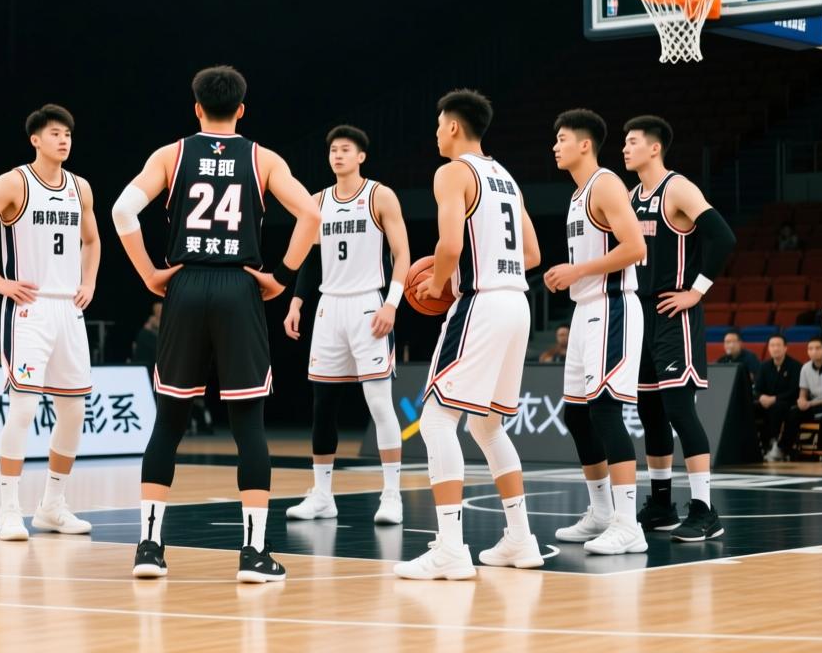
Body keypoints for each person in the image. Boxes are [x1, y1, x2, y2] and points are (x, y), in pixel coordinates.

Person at [112, 65, 320, 583]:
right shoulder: (263, 158)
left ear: (197, 108)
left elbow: (122, 211)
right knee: (248, 424)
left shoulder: (171, 155)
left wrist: (150, 274)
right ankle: (254, 554)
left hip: (184, 287)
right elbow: (312, 216)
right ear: (242, 109)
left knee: (169, 421)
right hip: (238, 287)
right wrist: (281, 277)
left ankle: (149, 547)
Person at [395, 89, 544, 579]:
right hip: (517, 303)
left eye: (439, 125)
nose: (436, 133)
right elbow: (533, 254)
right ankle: (521, 539)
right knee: (487, 426)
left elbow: (450, 244)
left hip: (481, 303)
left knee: (436, 420)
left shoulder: (452, 172)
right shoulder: (507, 178)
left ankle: (450, 548)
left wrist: (436, 284)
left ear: (455, 126)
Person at [0, 103, 101, 541]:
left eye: (68, 134)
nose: (64, 140)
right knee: (23, 407)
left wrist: (89, 281)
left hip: (68, 309)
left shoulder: (80, 187)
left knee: (74, 410)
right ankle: (8, 510)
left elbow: (92, 240)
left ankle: (52, 505)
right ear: (35, 139)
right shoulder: (14, 182)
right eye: (55, 133)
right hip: (29, 308)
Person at [284, 124, 411, 526]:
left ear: (361, 156)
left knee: (379, 403)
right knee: (323, 406)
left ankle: (391, 495)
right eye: (333, 150)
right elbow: (309, 259)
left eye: (345, 149)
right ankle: (322, 496)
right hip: (329, 307)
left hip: (368, 305)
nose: (337, 155)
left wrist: (391, 304)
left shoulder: (379, 196)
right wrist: (297, 302)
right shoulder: (317, 201)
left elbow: (402, 254)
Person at [624, 115, 736, 542]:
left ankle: (706, 510)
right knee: (650, 412)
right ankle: (661, 505)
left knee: (678, 410)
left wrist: (696, 292)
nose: (625, 148)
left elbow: (723, 237)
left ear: (655, 148)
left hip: (675, 312)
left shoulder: (678, 188)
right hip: (641, 313)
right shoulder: (631, 196)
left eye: (632, 142)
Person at [545, 110, 648, 555]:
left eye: (562, 138)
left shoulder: (605, 184)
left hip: (613, 305)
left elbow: (635, 247)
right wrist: (574, 276)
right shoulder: (576, 196)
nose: (555, 146)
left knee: (605, 412)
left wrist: (577, 270)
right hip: (586, 309)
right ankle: (602, 514)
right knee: (577, 415)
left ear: (585, 144)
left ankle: (628, 524)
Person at [757, 333, 803, 461]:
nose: (775, 348)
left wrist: (774, 399)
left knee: (777, 408)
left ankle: (776, 445)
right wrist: (760, 397)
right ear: (768, 348)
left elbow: (794, 390)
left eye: (778, 345)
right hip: (766, 402)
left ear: (785, 348)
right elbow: (757, 388)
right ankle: (753, 446)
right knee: (750, 408)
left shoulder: (795, 366)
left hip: (786, 402)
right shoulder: (764, 366)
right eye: (772, 345)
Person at [782, 335, 822, 457]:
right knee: (793, 412)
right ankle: (786, 449)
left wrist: (810, 403)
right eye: (810, 348)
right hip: (812, 405)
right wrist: (801, 401)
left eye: (818, 348)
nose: (814, 351)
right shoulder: (805, 368)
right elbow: (803, 392)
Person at [131, 302, 161, 367]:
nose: (159, 313)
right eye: (157, 311)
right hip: (148, 363)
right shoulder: (146, 332)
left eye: (160, 311)